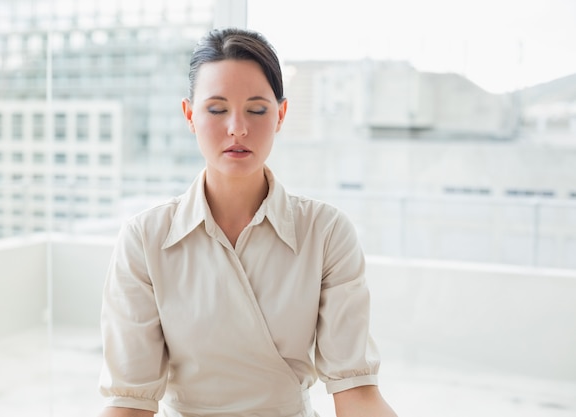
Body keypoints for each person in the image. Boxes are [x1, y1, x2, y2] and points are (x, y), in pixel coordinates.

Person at [98, 27, 397, 417]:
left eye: (256, 109)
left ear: (281, 115)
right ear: (190, 116)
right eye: (217, 109)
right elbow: (129, 404)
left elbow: (356, 392)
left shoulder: (325, 232)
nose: (237, 127)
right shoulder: (145, 238)